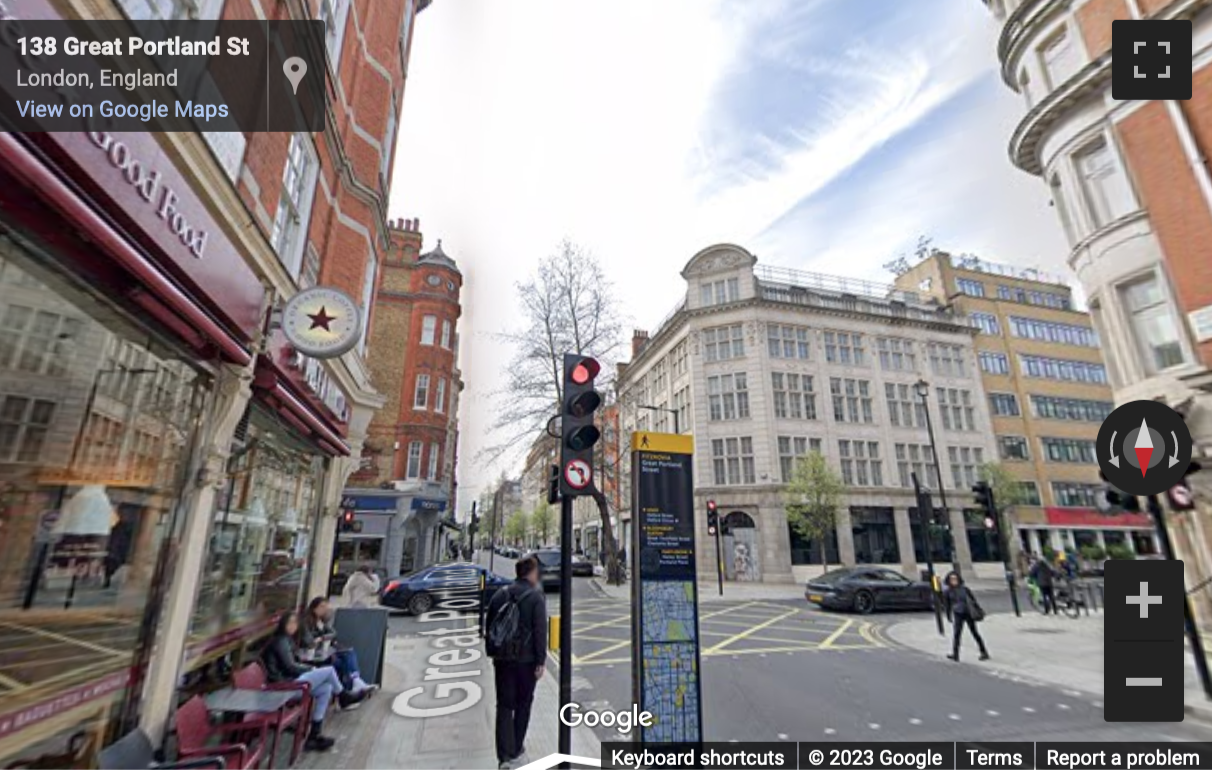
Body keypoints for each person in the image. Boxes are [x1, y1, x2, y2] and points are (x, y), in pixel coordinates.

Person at [262, 611, 364, 751]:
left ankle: (314, 735)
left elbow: (294, 663)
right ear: (283, 624)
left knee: (326, 688)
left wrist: (310, 669)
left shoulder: (286, 640)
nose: (293, 626)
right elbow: (290, 667)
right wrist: (311, 670)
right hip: (282, 686)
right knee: (328, 671)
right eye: (290, 623)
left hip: (289, 682)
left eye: (295, 623)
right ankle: (343, 696)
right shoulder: (280, 641)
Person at [485, 556, 547, 770]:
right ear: (531, 573)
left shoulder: (499, 594)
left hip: (502, 660)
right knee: (523, 705)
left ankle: (503, 756)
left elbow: (490, 626)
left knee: (504, 706)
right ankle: (515, 749)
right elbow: (540, 631)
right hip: (526, 661)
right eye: (537, 571)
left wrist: (492, 652)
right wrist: (541, 661)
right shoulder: (536, 597)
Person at [300, 597, 378, 703]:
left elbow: (333, 633)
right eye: (322, 607)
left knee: (346, 655)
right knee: (343, 660)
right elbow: (308, 642)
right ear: (314, 607)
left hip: (322, 653)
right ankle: (352, 689)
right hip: (312, 657)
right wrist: (321, 638)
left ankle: (353, 686)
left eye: (326, 607)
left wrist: (322, 638)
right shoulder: (306, 622)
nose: (325, 609)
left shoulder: (321, 621)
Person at [942, 571, 989, 662]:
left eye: (955, 579)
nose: (953, 581)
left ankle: (984, 652)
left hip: (968, 613)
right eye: (951, 579)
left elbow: (973, 601)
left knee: (975, 633)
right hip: (958, 613)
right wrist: (948, 615)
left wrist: (978, 610)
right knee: (957, 634)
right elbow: (947, 605)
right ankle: (955, 654)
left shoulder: (965, 589)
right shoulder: (948, 591)